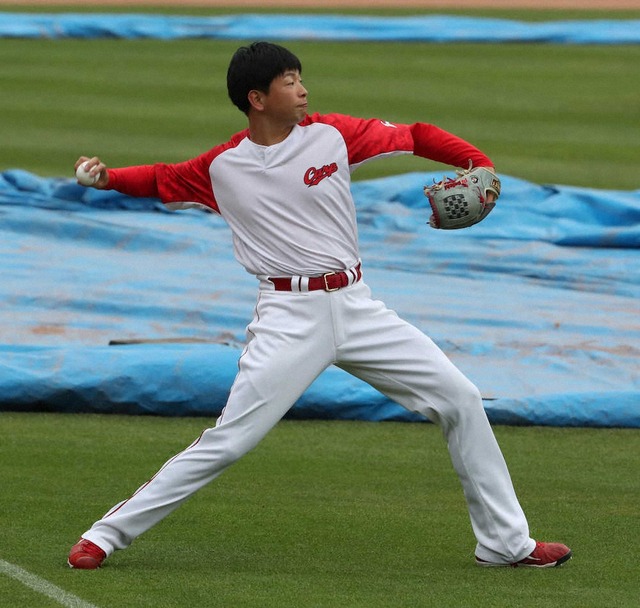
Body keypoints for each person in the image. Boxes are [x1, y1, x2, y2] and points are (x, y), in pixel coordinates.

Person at [68, 41, 571, 570]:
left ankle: (506, 544)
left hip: (358, 307)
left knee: (461, 400)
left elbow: (417, 136)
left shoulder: (332, 134)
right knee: (231, 440)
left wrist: (479, 163)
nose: (303, 89)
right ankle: (105, 534)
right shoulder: (222, 167)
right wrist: (108, 179)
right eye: (289, 81)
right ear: (257, 99)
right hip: (288, 318)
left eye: (300, 77)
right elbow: (161, 180)